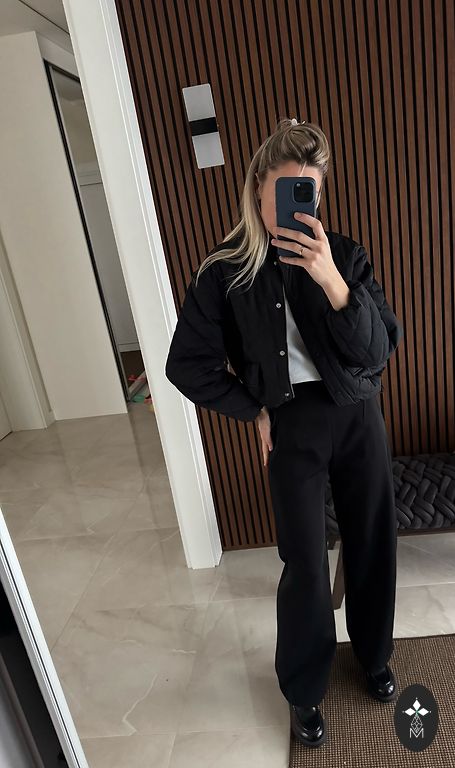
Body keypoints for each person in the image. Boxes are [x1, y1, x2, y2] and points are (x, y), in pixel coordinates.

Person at [165, 118, 404, 748]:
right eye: (287, 191)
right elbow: (185, 363)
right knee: (303, 562)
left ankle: (374, 656)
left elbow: (378, 352)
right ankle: (304, 690)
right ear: (257, 188)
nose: (300, 207)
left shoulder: (344, 255)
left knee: (373, 539)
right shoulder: (226, 271)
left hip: (357, 414)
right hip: (290, 422)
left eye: (310, 193)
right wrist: (254, 411)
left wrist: (332, 281)